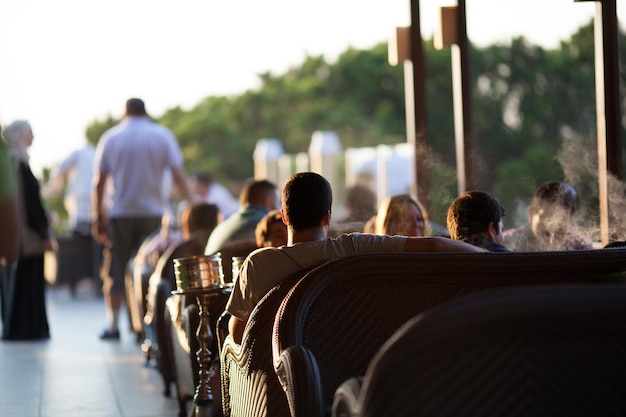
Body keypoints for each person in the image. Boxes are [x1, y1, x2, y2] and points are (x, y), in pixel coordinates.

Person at [226, 172, 486, 344]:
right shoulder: (354, 247)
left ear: (284, 216)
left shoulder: (257, 264)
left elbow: (237, 336)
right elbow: (435, 246)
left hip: (277, 385)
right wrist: (490, 258)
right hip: (346, 369)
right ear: (327, 216)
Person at [92, 98, 191, 340]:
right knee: (151, 269)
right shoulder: (161, 135)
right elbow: (178, 174)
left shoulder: (111, 137)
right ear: (146, 111)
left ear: (125, 112)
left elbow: (99, 182)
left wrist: (98, 217)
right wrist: (191, 204)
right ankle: (147, 327)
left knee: (116, 269)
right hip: (154, 213)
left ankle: (114, 326)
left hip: (120, 213)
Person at [2, 120, 56, 340]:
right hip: (26, 238)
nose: (33, 136)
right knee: (26, 283)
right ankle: (28, 329)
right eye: (29, 133)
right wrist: (43, 230)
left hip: (20, 235)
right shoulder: (16, 162)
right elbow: (28, 204)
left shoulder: (14, 160)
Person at [503, 181, 593, 252]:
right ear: (531, 213)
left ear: (571, 219)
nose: (552, 228)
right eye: (548, 216)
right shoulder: (508, 242)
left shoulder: (581, 247)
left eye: (562, 219)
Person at [204, 179, 279, 255]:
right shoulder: (269, 228)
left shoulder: (220, 228)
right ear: (267, 201)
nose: (278, 207)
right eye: (277, 202)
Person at [44, 140, 96, 235]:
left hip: (80, 198)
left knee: (79, 227)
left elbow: (61, 168)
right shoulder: (94, 154)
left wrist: (53, 188)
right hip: (94, 198)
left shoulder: (78, 153)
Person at [446, 190, 510, 252]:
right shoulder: (506, 258)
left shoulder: (444, 255)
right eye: (502, 229)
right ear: (491, 230)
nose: (503, 237)